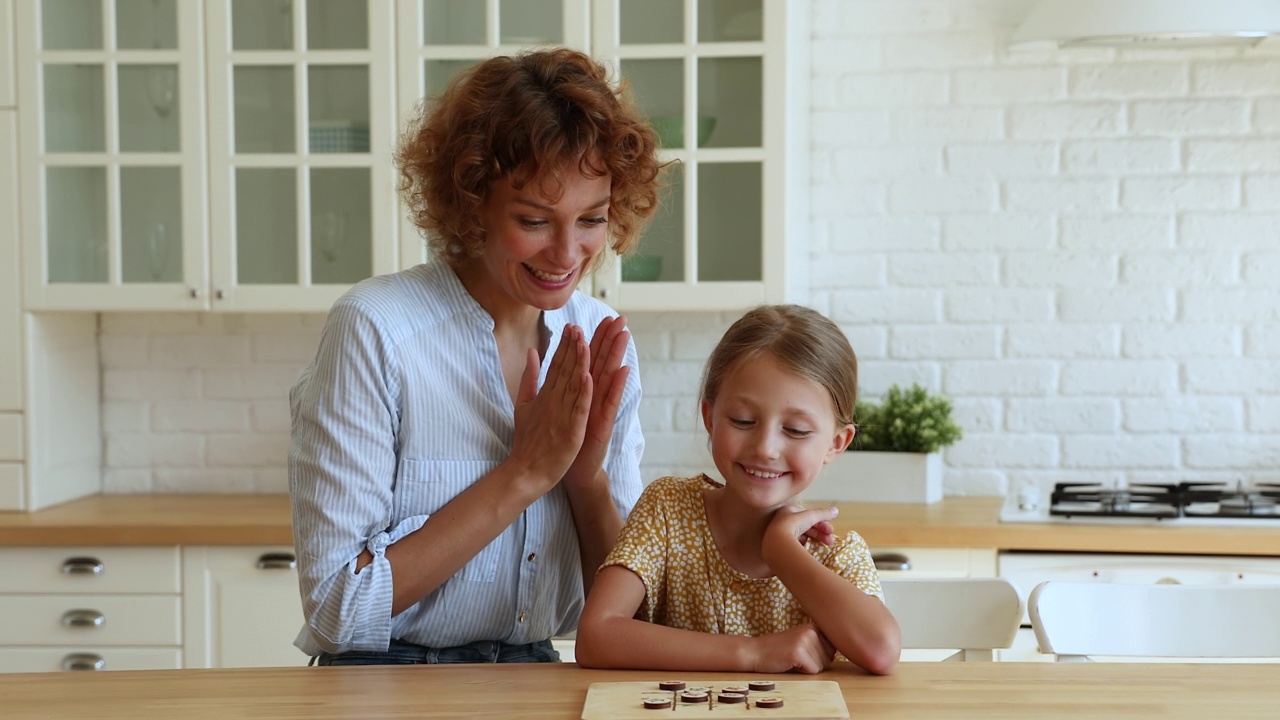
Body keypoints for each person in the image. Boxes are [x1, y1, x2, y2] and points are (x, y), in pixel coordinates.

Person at [287, 47, 662, 665]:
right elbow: (336, 611)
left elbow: (627, 615)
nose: (568, 253)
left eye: (591, 219)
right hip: (385, 680)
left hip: (536, 672)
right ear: (471, 203)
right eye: (535, 221)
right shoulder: (376, 329)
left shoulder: (597, 339)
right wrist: (524, 473)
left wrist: (584, 477)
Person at [575, 305, 902, 676]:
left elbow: (881, 651)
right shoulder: (667, 510)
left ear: (836, 443)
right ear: (710, 417)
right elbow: (596, 636)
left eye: (795, 430)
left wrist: (781, 549)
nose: (765, 447)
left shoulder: (836, 555)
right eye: (743, 421)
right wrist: (754, 654)